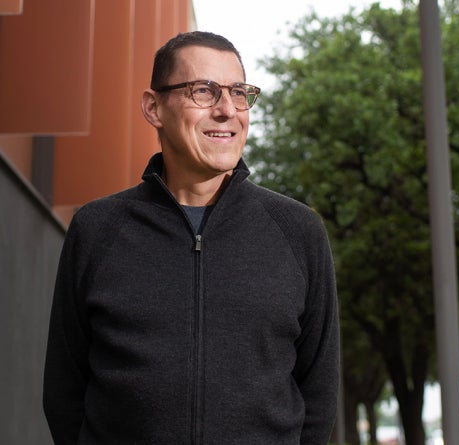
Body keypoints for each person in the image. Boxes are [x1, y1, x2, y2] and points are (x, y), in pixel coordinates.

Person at [42, 31, 340, 444]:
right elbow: (64, 388)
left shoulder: (297, 231)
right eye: (204, 91)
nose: (227, 110)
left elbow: (319, 393)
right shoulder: (97, 229)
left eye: (238, 93)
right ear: (154, 107)